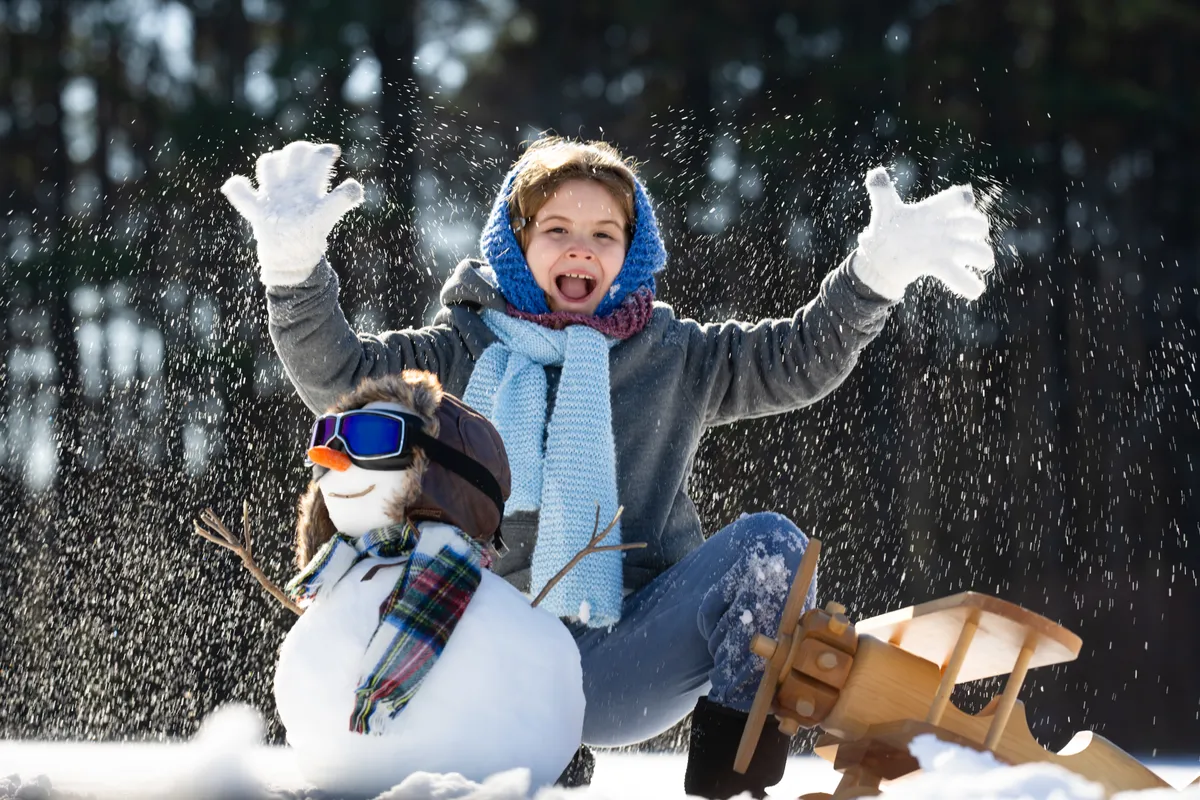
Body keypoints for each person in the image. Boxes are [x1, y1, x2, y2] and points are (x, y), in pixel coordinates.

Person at [221, 136, 994, 799]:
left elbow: (793, 361)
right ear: (514, 245)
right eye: (556, 228)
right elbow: (342, 377)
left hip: (629, 653)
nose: (580, 247)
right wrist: (293, 270)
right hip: (490, 669)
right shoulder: (457, 352)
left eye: (604, 232)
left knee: (772, 547)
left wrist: (873, 276)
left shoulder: (675, 355)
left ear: (631, 252)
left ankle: (732, 771)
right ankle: (535, 749)